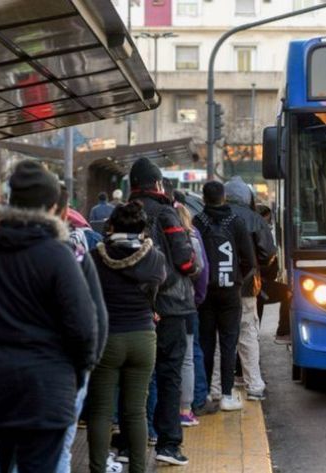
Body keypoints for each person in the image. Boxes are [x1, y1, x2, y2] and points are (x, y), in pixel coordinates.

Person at [0, 160, 99, 473]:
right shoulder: (59, 256)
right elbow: (83, 327)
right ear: (54, 206)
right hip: (48, 390)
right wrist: (76, 374)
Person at [128, 157, 199, 466]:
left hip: (132, 308)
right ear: (157, 184)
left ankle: (128, 443)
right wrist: (193, 267)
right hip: (170, 306)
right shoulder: (167, 214)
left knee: (134, 377)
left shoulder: (125, 215)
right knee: (168, 373)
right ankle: (168, 443)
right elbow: (186, 262)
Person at [86, 202, 166, 473]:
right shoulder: (154, 257)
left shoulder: (95, 257)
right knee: (136, 411)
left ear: (110, 226)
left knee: (101, 411)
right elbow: (159, 286)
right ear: (142, 228)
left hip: (108, 339)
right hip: (143, 338)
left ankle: (97, 468)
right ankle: (139, 468)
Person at [53, 185, 110, 473]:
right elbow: (94, 318)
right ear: (62, 212)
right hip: (60, 372)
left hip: (2, 374)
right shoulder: (73, 253)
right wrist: (85, 369)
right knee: (60, 448)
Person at [194, 181, 256, 411]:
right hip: (230, 291)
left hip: (206, 292)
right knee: (229, 342)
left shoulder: (197, 222)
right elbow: (250, 259)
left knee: (206, 342)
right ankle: (228, 395)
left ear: (204, 198)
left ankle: (209, 392)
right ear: (224, 198)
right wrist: (237, 277)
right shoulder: (236, 222)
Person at [223, 176, 276, 401]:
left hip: (219, 285)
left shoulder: (211, 218)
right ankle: (253, 385)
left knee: (220, 337)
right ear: (247, 197)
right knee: (248, 334)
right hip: (246, 286)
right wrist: (257, 268)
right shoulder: (255, 219)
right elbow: (268, 253)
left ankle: (217, 388)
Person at [174, 202, 211, 426]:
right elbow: (202, 271)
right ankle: (187, 407)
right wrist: (198, 298)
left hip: (164, 306)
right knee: (189, 354)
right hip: (187, 303)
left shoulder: (160, 238)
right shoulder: (193, 237)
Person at [256, 204, 292, 344]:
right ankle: (283, 331)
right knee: (289, 292)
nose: (269, 224)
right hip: (259, 283)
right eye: (268, 220)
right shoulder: (261, 234)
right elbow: (266, 260)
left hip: (257, 283)